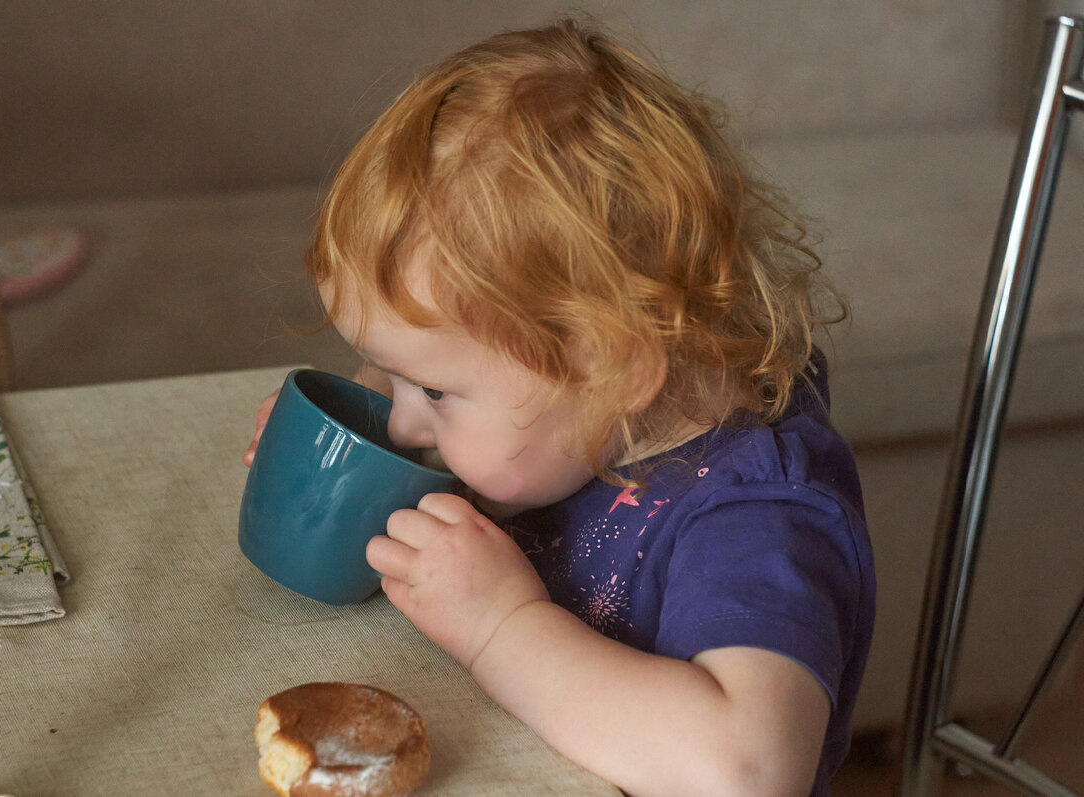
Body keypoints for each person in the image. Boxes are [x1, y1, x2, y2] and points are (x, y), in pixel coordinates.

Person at [244, 17, 874, 797]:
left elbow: (743, 770)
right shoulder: (562, 419)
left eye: (435, 391)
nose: (405, 423)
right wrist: (352, 429)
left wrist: (500, 628)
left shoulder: (759, 515)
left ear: (615, 367)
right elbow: (456, 389)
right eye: (391, 373)